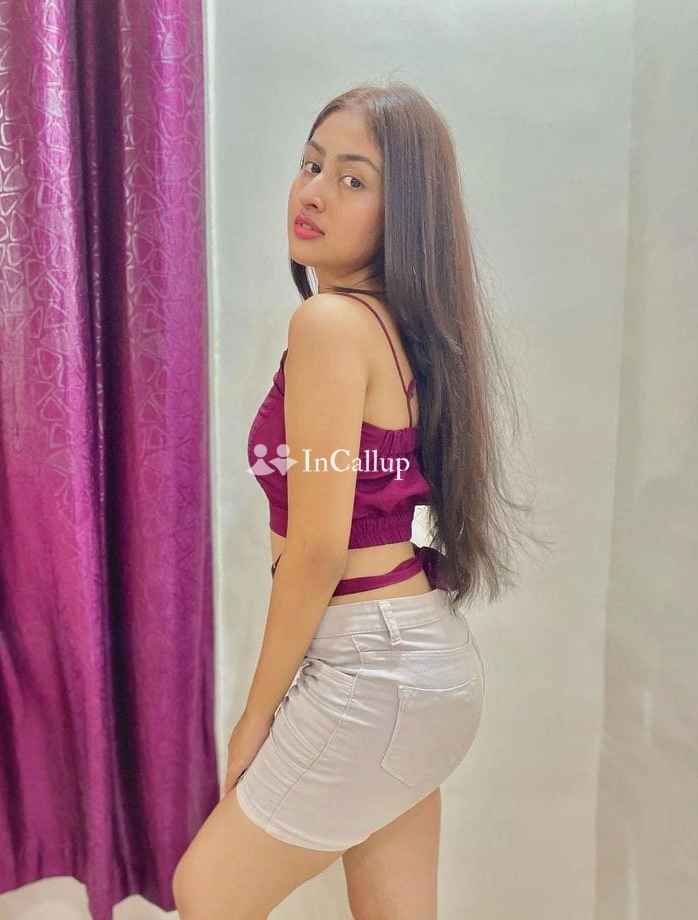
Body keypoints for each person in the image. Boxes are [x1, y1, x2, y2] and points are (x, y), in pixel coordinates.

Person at [173, 81, 538, 919]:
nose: (313, 193)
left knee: (206, 893)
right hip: (421, 666)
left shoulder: (331, 325)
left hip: (372, 667)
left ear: (400, 213)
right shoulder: (396, 329)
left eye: (352, 179)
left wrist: (255, 716)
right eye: (311, 165)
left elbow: (318, 548)